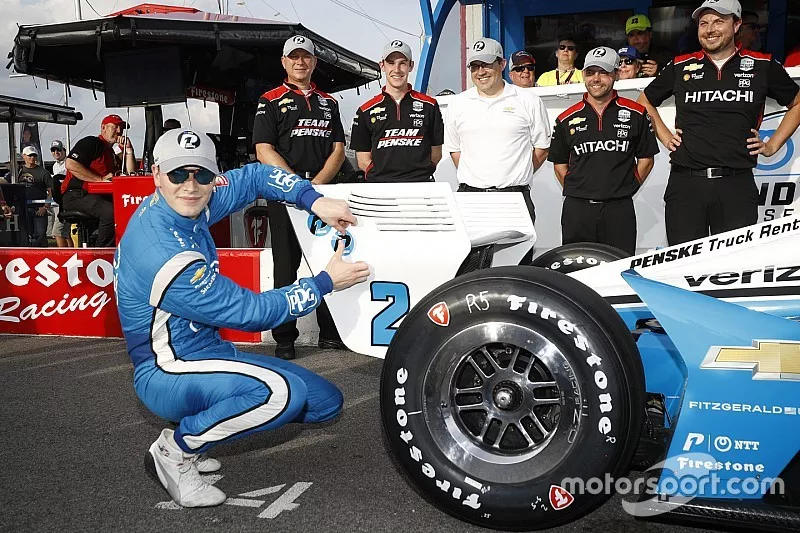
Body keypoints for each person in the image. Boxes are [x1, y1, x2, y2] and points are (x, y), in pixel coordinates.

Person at [114, 128, 370, 508]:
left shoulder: (189, 203)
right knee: (279, 395)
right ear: (155, 174)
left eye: (201, 174)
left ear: (212, 177)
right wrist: (324, 283)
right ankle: (177, 450)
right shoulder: (163, 251)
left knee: (324, 403)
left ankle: (200, 432)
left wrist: (313, 200)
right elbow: (252, 313)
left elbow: (255, 175)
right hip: (166, 370)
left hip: (207, 351)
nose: (190, 185)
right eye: (177, 174)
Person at [638, 0, 800, 245]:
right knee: (683, 268)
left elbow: (797, 103)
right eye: (703, 23)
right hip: (686, 185)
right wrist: (665, 135)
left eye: (718, 21)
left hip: (736, 185)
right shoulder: (681, 65)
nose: (709, 29)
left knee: (733, 268)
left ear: (736, 25)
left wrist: (773, 144)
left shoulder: (762, 65)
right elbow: (644, 103)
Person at [252, 35, 347, 359]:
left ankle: (331, 334)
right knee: (286, 269)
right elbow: (263, 148)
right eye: (294, 57)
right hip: (284, 195)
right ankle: (284, 339)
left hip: (323, 194)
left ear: (314, 62)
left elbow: (338, 149)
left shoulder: (330, 102)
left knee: (327, 261)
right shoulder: (270, 99)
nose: (300, 62)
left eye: (306, 56)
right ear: (284, 62)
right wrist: (295, 187)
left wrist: (315, 187)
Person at [444, 37, 551, 263]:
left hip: (515, 198)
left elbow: (541, 148)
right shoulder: (458, 103)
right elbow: (455, 151)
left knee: (517, 269)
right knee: (469, 271)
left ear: (502, 64)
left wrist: (513, 173)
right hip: (470, 199)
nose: (480, 71)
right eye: (475, 66)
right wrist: (480, 178)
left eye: (486, 64)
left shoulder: (528, 100)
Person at [548, 47, 659, 255]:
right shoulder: (566, 118)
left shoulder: (636, 113)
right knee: (576, 271)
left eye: (603, 72)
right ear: (583, 75)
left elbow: (646, 159)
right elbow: (559, 164)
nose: (596, 79)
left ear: (616, 74)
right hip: (577, 210)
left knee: (618, 268)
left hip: (619, 210)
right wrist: (580, 190)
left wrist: (626, 188)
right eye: (590, 72)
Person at [349, 40, 444, 182]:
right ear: (382, 66)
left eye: (402, 63)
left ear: (411, 66)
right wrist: (381, 177)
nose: (397, 69)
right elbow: (362, 159)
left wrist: (419, 174)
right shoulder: (366, 110)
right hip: (380, 189)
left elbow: (436, 154)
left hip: (420, 188)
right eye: (391, 63)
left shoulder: (430, 105)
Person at [62, 114, 136, 246]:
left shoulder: (111, 153)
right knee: (110, 212)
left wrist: (129, 151)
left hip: (98, 197)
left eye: (121, 128)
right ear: (103, 128)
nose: (119, 131)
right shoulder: (92, 142)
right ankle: (102, 253)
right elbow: (70, 163)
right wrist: (100, 179)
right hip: (77, 195)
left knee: (126, 209)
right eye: (115, 127)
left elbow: (130, 174)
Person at [18, 146, 52, 247]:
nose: (32, 158)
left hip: (39, 209)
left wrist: (45, 207)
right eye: (30, 155)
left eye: (34, 155)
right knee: (25, 235)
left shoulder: (44, 173)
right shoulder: (18, 172)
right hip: (23, 209)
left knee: (40, 236)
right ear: (23, 156)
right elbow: (6, 182)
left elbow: (50, 191)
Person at [49, 140, 72, 248]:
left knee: (57, 232)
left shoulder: (69, 163)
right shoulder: (55, 166)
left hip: (67, 201)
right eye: (53, 150)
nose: (56, 152)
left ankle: (64, 258)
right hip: (59, 203)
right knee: (65, 233)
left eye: (58, 149)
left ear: (64, 150)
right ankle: (74, 256)